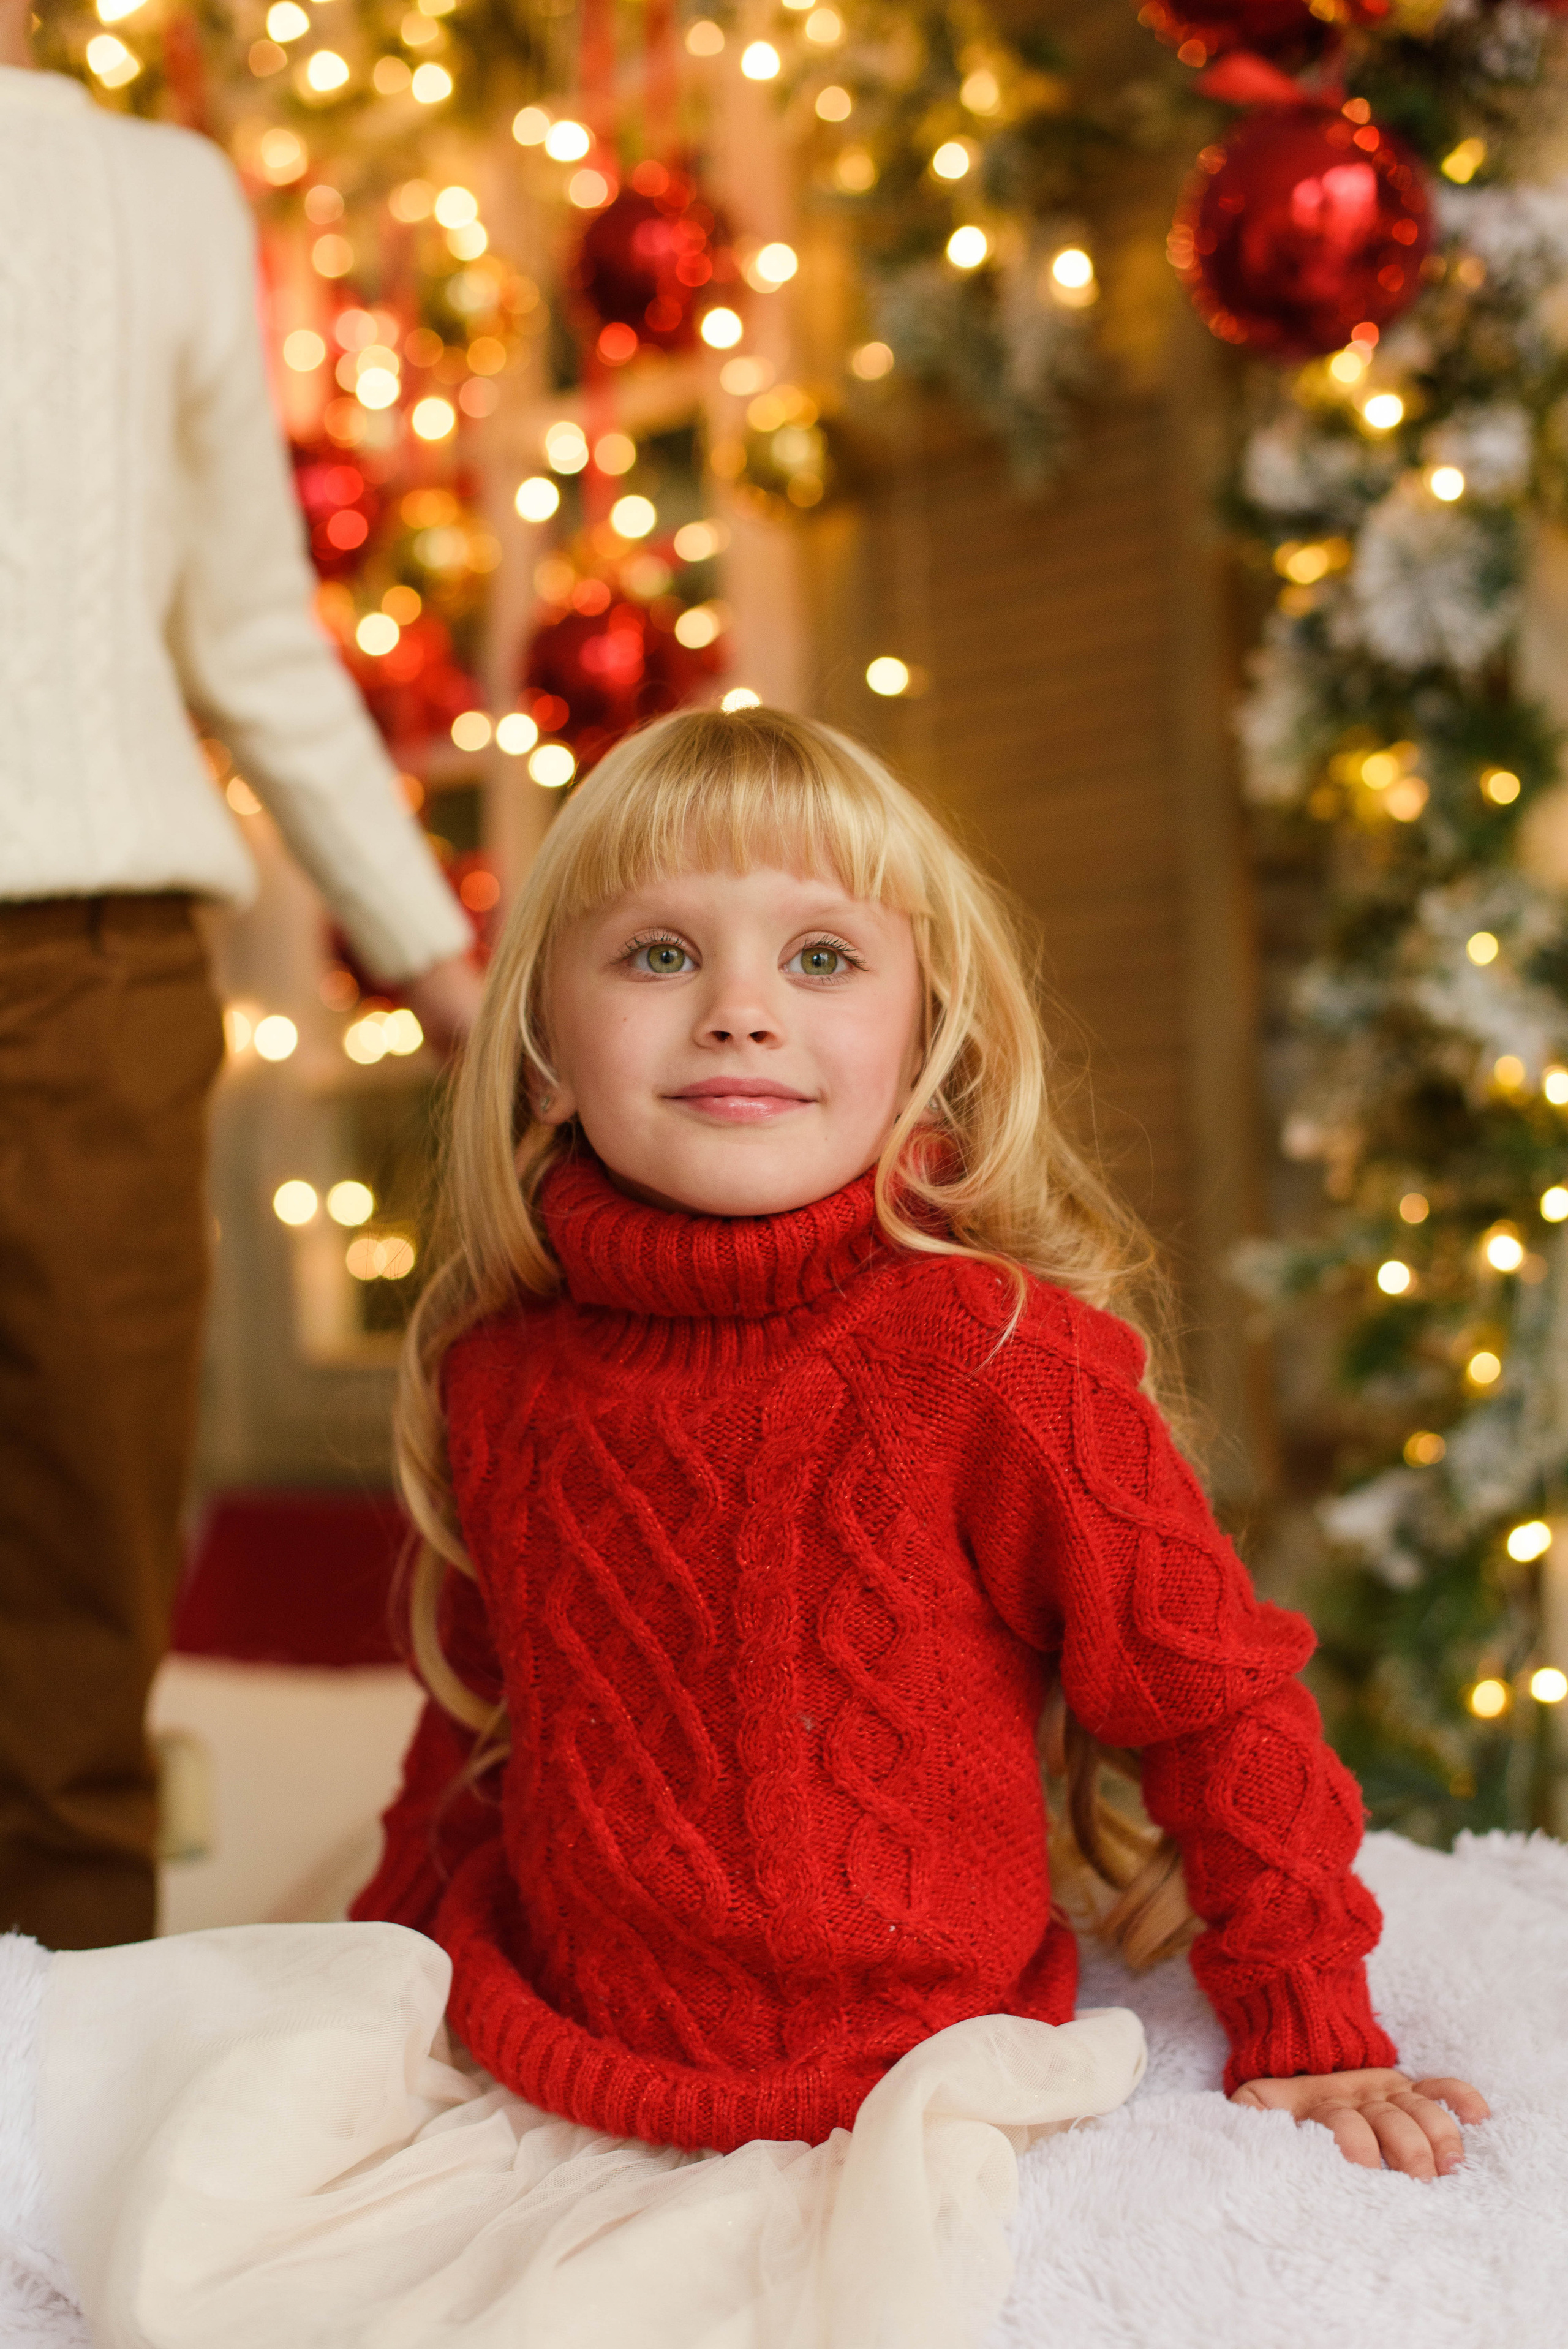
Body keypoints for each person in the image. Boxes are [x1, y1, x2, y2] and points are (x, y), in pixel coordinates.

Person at [0, 711, 1488, 2347]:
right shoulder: (505, 1371)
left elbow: (1219, 1704)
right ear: (545, 1043)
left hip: (907, 2053)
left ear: (931, 1028)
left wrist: (1306, 2016)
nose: (742, 1006)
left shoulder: (1000, 1359)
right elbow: (484, 1729)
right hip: (551, 2026)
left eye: (824, 955)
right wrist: (382, 1982)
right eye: (656, 951)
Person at [0, 20, 484, 1952]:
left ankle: (42, 2156)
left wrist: (441, 959)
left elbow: (252, 628)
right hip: (105, 983)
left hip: (96, 972)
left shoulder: (155, 197)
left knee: (74, 1611)